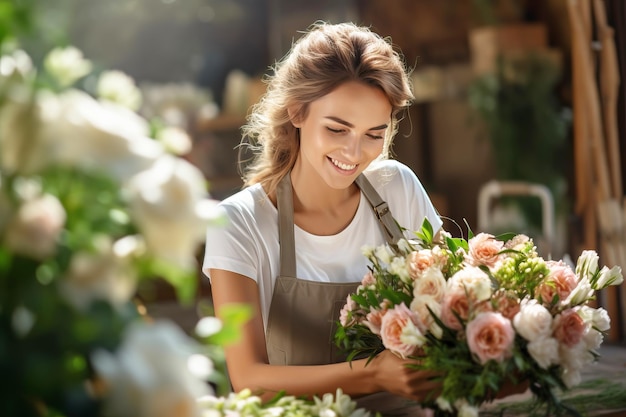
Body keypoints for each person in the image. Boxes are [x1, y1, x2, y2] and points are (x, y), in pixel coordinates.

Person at [203, 21, 448, 415]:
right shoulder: (239, 223)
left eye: (374, 134)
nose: (354, 152)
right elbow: (248, 380)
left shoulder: (397, 189)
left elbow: (452, 313)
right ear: (297, 112)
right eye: (337, 128)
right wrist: (373, 375)